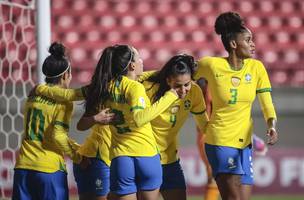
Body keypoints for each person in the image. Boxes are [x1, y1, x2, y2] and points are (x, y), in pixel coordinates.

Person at [194, 12, 279, 200]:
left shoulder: (257, 68)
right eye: (248, 40)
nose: (253, 44)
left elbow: (266, 102)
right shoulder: (211, 65)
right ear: (233, 44)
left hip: (244, 146)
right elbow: (182, 74)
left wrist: (271, 125)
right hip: (220, 142)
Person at [84, 44, 180, 200]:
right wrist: (170, 97)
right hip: (146, 153)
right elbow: (139, 119)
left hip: (121, 157)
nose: (142, 61)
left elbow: (73, 97)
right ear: (132, 65)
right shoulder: (135, 88)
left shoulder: (104, 87)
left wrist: (44, 90)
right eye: (139, 57)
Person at [12, 42, 82, 200]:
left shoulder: (33, 95)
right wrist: (78, 157)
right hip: (49, 169)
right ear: (65, 75)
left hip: (23, 166)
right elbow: (58, 136)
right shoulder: (64, 102)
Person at [138, 54, 209, 200]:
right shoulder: (148, 89)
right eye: (177, 85)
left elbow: (205, 126)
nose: (183, 90)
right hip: (146, 158)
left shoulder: (195, 92)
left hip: (170, 160)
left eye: (187, 84)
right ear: (168, 80)